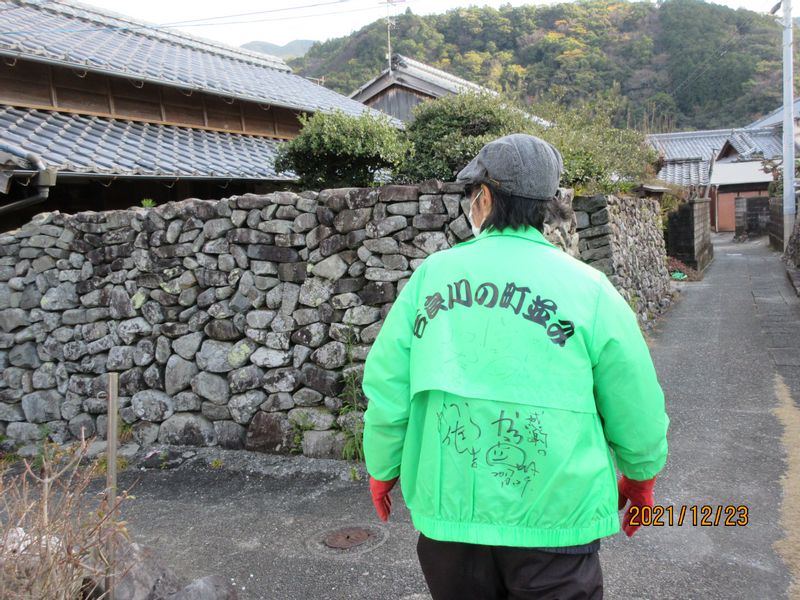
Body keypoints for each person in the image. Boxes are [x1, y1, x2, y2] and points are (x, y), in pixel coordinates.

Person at [361, 134, 669, 600]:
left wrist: (382, 467)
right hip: (557, 523)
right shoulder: (590, 290)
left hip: (452, 520)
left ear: (483, 198)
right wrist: (640, 475)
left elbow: (388, 389)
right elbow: (635, 400)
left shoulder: (431, 278)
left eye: (471, 195)